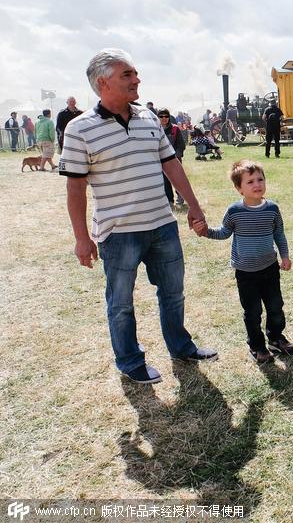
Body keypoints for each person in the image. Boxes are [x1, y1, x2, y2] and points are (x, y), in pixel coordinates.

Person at [60, 48, 217, 385]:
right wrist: (81, 237)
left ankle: (181, 347)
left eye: (135, 73)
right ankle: (130, 362)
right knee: (121, 304)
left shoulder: (148, 118)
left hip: (163, 225)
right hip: (119, 234)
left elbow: (171, 164)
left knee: (173, 294)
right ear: (103, 83)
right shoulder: (79, 129)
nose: (137, 79)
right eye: (127, 75)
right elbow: (75, 189)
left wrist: (194, 205)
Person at [193, 159, 293, 364]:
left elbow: (279, 234)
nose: (257, 184)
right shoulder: (235, 212)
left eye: (260, 179)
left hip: (270, 268)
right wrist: (205, 232)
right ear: (239, 188)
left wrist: (284, 256)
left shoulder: (272, 209)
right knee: (253, 311)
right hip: (246, 273)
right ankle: (257, 346)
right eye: (250, 182)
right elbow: (223, 233)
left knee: (276, 306)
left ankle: (276, 337)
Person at [157, 108, 186, 208]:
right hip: (161, 160)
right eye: (161, 116)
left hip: (174, 159)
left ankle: (180, 198)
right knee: (165, 181)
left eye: (166, 116)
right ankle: (169, 200)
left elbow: (181, 145)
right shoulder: (156, 129)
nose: (164, 118)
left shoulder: (175, 129)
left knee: (177, 179)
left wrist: (177, 156)